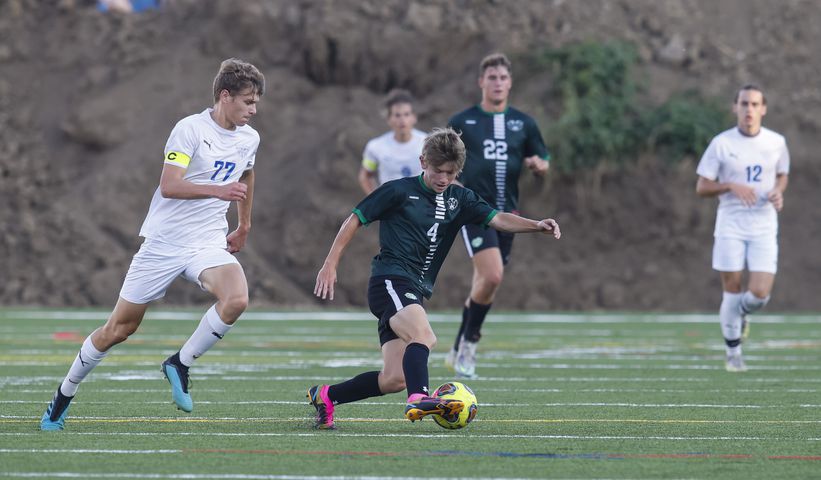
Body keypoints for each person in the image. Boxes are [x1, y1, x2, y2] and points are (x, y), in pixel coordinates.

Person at [40, 58, 265, 430]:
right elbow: (169, 185)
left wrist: (244, 224)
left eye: (256, 102)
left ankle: (179, 363)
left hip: (206, 241)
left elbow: (247, 173)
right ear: (225, 96)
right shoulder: (189, 129)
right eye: (247, 102)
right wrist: (218, 190)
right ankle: (63, 396)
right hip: (163, 244)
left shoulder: (249, 137)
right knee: (119, 329)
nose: (253, 110)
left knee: (237, 298)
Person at [308, 127, 560, 429]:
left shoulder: (461, 198)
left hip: (414, 288)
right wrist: (330, 263)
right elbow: (355, 219)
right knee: (424, 336)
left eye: (451, 173)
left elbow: (498, 218)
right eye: (438, 171)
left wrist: (537, 225)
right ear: (422, 161)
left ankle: (326, 395)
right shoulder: (398, 190)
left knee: (393, 378)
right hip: (390, 281)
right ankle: (419, 398)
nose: (443, 179)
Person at [446, 53, 551, 379]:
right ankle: (470, 344)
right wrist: (455, 187)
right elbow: (443, 160)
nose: (497, 83)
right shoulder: (462, 121)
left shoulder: (524, 122)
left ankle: (457, 346)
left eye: (503, 78)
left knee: (485, 284)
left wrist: (539, 166)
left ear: (510, 83)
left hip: (510, 215)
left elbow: (543, 160)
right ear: (481, 82)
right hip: (475, 210)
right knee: (492, 276)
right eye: (492, 77)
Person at [696, 84, 790, 372]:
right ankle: (733, 353)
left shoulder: (776, 142)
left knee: (759, 295)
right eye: (744, 104)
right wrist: (729, 185)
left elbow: (782, 174)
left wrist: (778, 191)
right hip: (731, 225)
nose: (749, 109)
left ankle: (742, 316)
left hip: (763, 225)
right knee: (732, 291)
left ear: (763, 109)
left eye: (754, 104)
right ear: (735, 107)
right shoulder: (721, 143)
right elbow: (702, 186)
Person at [357, 89, 426, 194]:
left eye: (406, 114)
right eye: (397, 115)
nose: (402, 120)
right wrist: (375, 200)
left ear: (414, 117)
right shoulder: (375, 147)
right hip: (390, 207)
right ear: (389, 119)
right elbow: (365, 176)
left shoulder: (428, 144)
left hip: (422, 206)